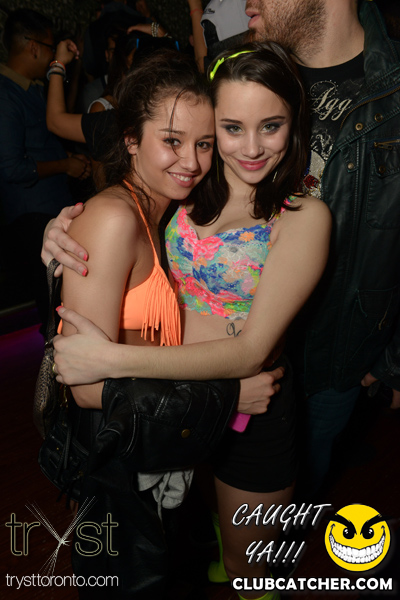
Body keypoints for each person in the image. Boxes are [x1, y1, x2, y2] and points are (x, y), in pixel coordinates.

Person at [44, 42, 331, 599]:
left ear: (293, 126)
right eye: (231, 129)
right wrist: (59, 231)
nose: (251, 147)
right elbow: (122, 215)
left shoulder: (304, 216)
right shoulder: (186, 191)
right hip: (177, 409)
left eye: (271, 126)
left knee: (248, 566)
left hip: (253, 405)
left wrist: (108, 358)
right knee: (195, 533)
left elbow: (251, 352)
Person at [243, 0, 400, 492]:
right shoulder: (239, 67)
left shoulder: (395, 90)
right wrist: (98, 222)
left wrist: (391, 362)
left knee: (299, 487)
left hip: (337, 362)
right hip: (234, 350)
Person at [0, 9, 90, 328]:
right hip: (30, 216)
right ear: (34, 47)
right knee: (52, 305)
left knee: (66, 300)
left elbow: (57, 124)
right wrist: (65, 165)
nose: (53, 55)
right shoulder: (5, 95)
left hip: (50, 208)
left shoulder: (33, 88)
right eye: (50, 48)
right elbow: (11, 168)